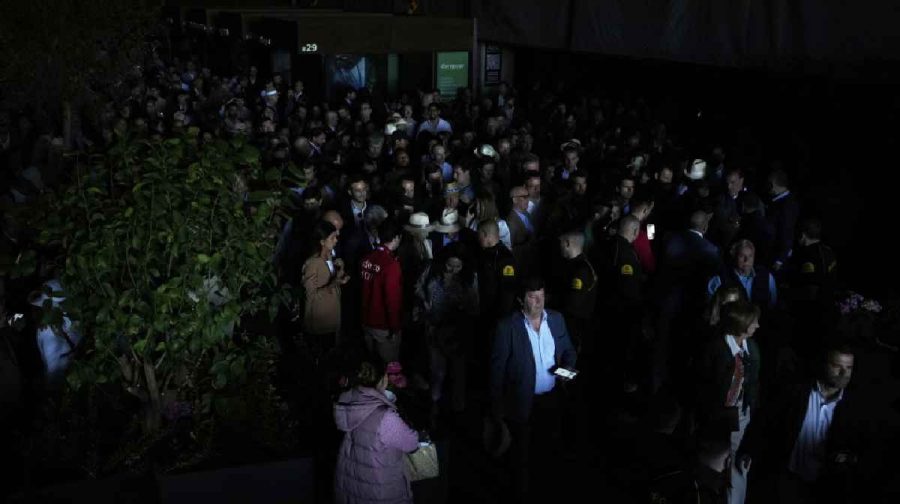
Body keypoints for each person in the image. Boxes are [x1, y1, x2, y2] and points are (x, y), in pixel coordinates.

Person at [489, 276, 577, 502]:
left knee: (549, 448)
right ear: (521, 300)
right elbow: (497, 371)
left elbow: (568, 351)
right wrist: (497, 412)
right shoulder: (507, 327)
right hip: (521, 403)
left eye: (541, 295)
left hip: (553, 399)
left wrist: (566, 370)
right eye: (531, 296)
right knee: (522, 457)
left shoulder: (556, 319)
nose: (538, 301)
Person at [696, 301, 762, 504]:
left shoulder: (751, 347)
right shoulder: (716, 348)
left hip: (741, 413)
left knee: (737, 464)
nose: (757, 326)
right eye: (753, 322)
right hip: (716, 415)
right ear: (741, 324)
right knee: (715, 462)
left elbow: (753, 382)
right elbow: (704, 383)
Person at [333, 358, 420, 504]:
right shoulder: (386, 417)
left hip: (354, 484)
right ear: (384, 379)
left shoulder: (349, 401)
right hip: (380, 491)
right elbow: (412, 443)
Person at [417, 243, 479, 424]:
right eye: (449, 265)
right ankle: (434, 410)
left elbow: (475, 308)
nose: (452, 270)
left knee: (459, 374)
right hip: (434, 331)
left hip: (458, 335)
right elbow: (419, 291)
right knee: (437, 372)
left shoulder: (469, 278)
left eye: (457, 266)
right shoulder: (430, 271)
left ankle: (457, 415)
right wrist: (423, 307)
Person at [302, 220, 350, 360]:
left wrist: (340, 271)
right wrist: (332, 284)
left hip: (332, 320)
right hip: (319, 325)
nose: (336, 240)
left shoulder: (329, 256)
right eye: (332, 237)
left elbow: (332, 281)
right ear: (322, 241)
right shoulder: (312, 264)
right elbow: (310, 296)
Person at [360, 220, 404, 364]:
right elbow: (392, 300)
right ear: (396, 238)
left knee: (371, 367)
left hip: (366, 322)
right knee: (388, 370)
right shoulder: (391, 265)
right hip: (383, 326)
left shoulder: (367, 258)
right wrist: (395, 327)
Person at [708, 239, 777, 311]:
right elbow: (712, 309)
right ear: (734, 257)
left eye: (750, 256)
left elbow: (773, 306)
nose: (746, 260)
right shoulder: (719, 280)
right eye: (741, 256)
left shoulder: (767, 277)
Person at [766, 168, 800, 272]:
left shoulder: (786, 206)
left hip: (776, 258)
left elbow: (787, 231)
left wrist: (780, 259)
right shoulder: (780, 202)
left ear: (772, 185)